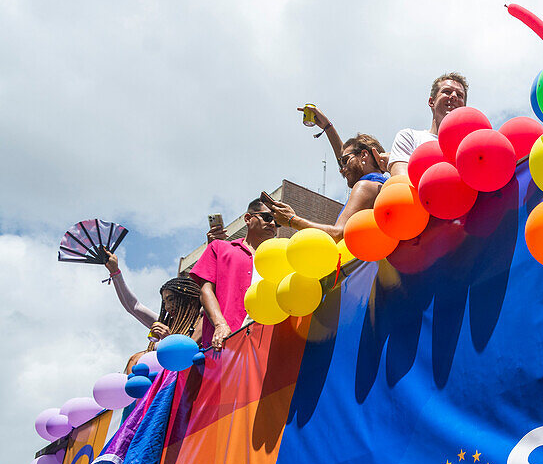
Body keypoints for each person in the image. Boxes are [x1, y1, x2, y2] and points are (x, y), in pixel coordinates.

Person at [269, 113, 389, 240]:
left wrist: (292, 220)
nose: (342, 169)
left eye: (345, 161)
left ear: (364, 155)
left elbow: (339, 234)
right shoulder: (384, 186)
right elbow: (347, 157)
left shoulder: (365, 186)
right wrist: (327, 127)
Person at [191, 197, 277, 350]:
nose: (272, 224)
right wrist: (220, 325)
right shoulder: (219, 247)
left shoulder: (279, 258)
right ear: (248, 218)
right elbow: (205, 291)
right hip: (224, 343)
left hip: (264, 344)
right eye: (267, 217)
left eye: (277, 222)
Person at [103, 250, 204, 343]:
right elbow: (134, 307)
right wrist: (115, 272)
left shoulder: (204, 321)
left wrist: (168, 339)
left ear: (189, 297)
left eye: (171, 299)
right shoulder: (165, 324)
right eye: (165, 302)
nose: (167, 307)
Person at [387, 72, 469, 179]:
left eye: (459, 95)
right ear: (431, 101)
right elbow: (401, 179)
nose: (454, 96)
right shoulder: (409, 137)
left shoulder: (469, 147)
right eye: (447, 92)